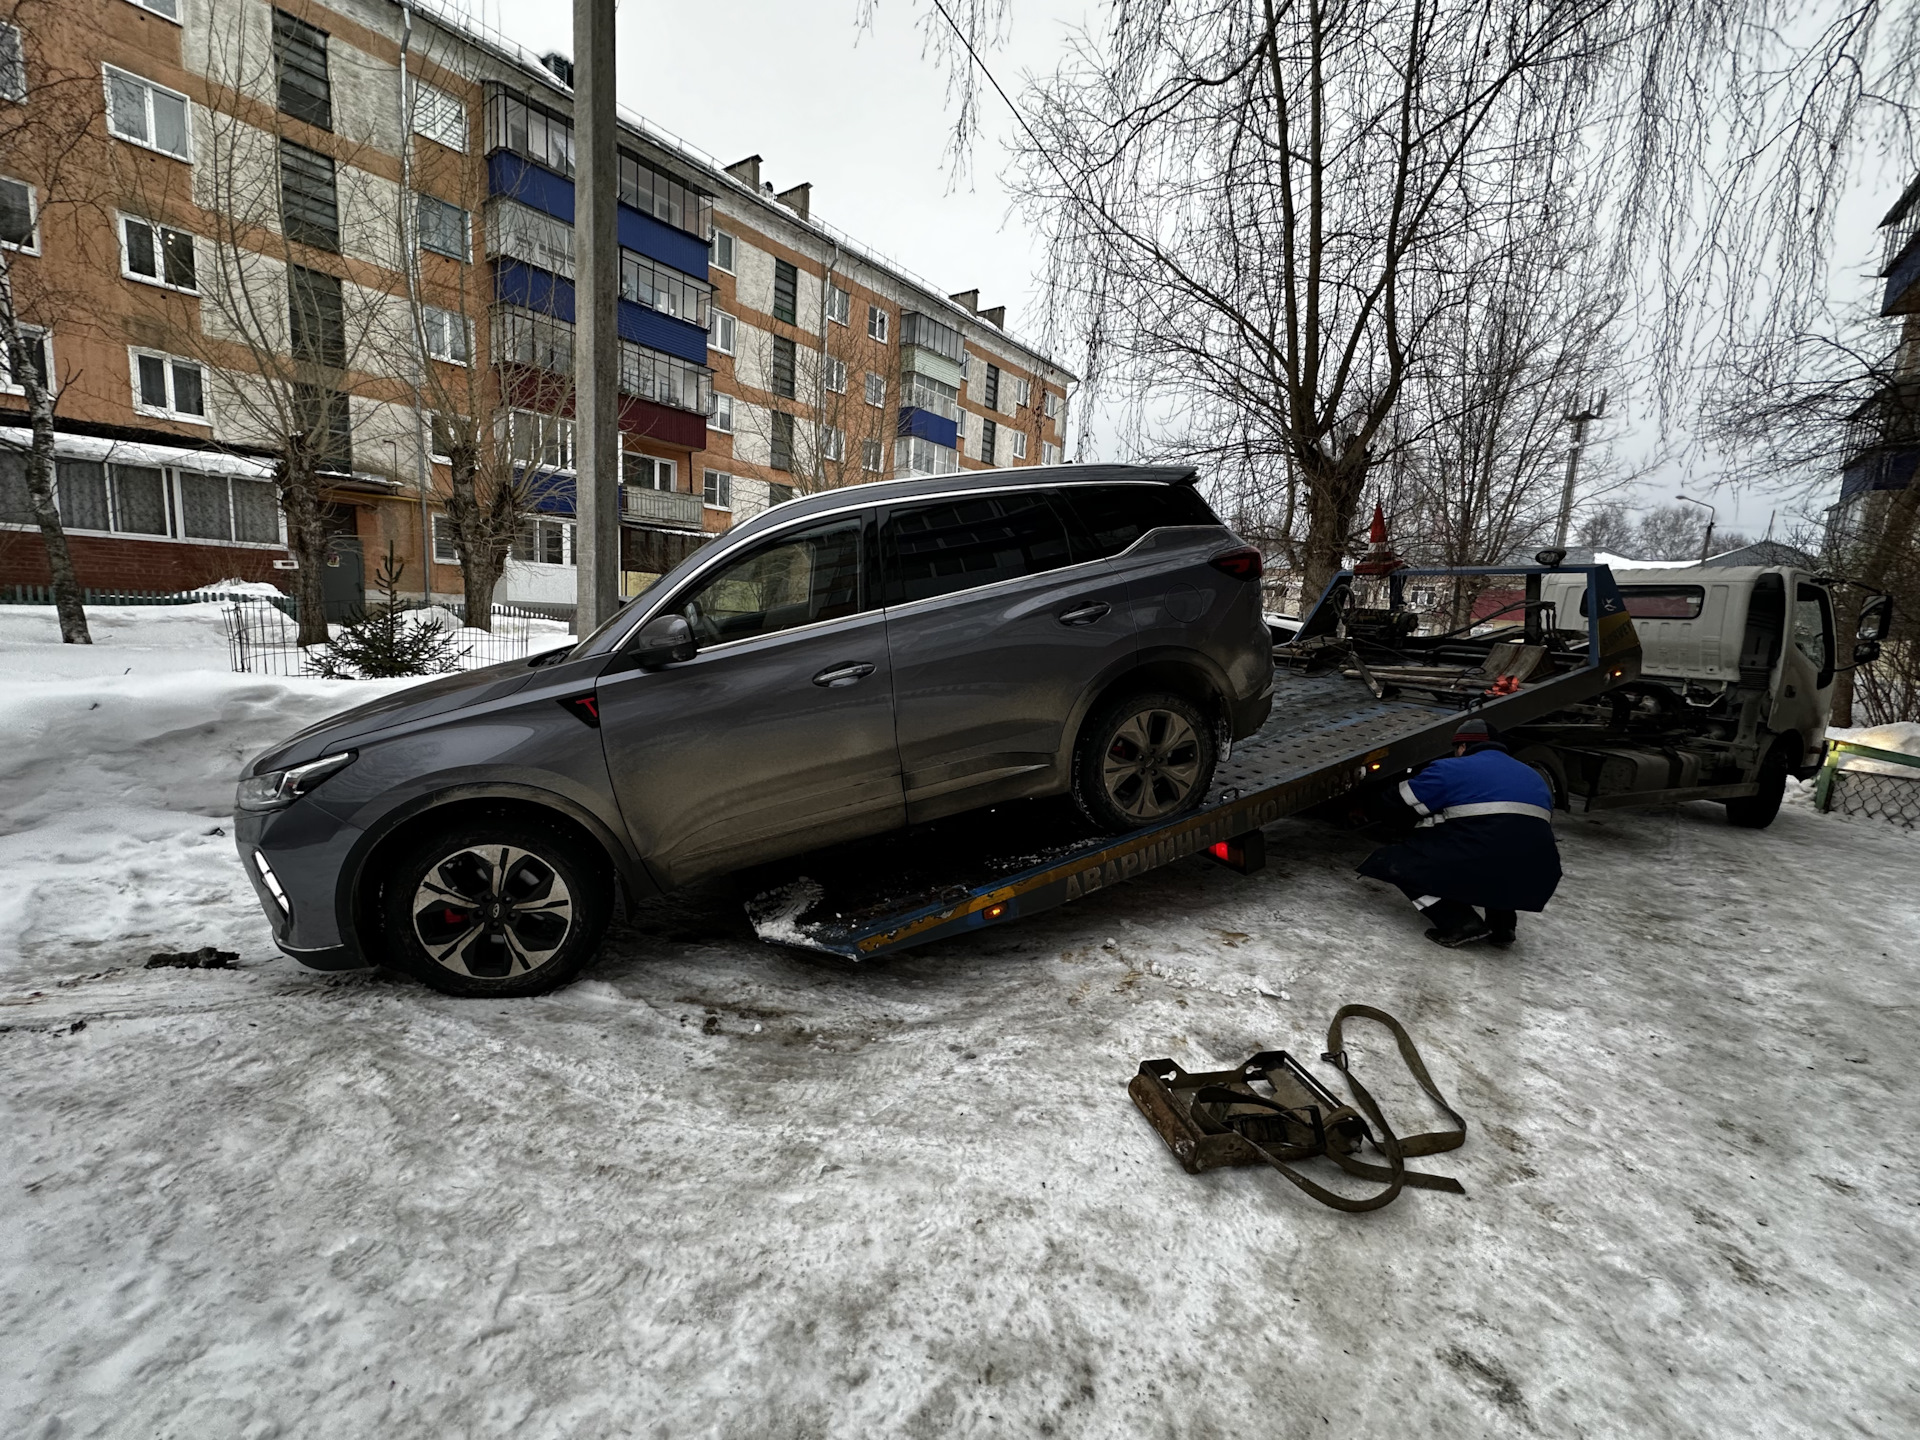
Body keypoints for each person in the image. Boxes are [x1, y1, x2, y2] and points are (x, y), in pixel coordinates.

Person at [1356, 718, 1561, 947]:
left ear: (1463, 747)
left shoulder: (1452, 768)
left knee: (1394, 861)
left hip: (1484, 862)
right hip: (1539, 875)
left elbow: (1398, 802)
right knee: (1506, 854)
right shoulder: (1533, 776)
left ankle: (1459, 923)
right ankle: (1502, 927)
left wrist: (1366, 805)